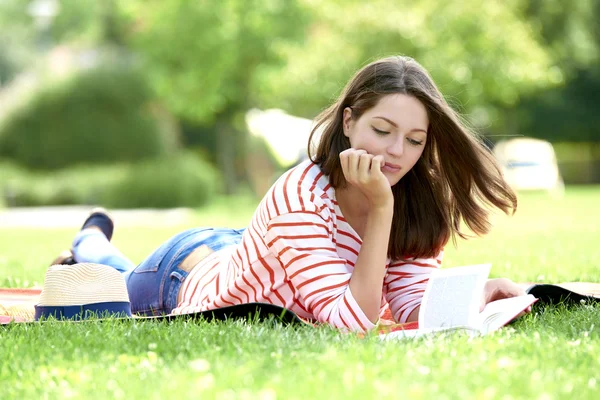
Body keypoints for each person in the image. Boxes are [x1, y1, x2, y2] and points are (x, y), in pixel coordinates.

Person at [53, 56, 526, 332]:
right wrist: (381, 207)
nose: (396, 153)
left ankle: (89, 244)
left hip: (252, 251)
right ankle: (88, 240)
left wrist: (475, 297)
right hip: (184, 274)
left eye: (415, 140)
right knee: (111, 277)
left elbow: (405, 306)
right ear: (348, 122)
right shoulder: (303, 195)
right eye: (382, 130)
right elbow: (352, 325)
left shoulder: (418, 200)